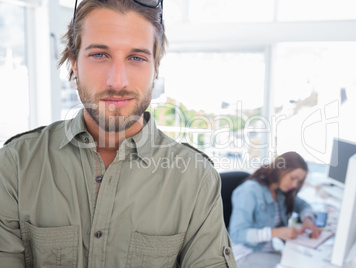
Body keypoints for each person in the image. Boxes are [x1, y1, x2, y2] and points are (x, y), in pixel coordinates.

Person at [0, 0, 236, 267]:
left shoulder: (196, 179)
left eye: (136, 58)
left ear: (155, 68)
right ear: (74, 63)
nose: (117, 81)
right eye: (100, 54)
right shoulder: (15, 166)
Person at [228, 151, 321, 268]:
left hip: (265, 250)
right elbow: (237, 234)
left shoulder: (281, 191)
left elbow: (303, 205)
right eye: (293, 178)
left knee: (302, 260)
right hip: (244, 255)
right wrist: (276, 232)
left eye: (299, 182)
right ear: (280, 170)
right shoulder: (249, 191)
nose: (294, 185)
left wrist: (308, 219)